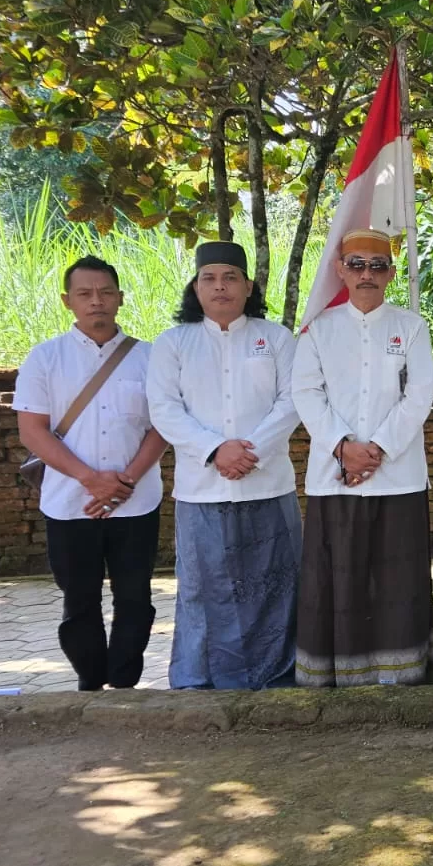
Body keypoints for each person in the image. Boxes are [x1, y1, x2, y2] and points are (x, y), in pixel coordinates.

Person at [146, 241, 301, 690]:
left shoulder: (275, 338)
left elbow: (292, 401)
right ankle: (199, 679)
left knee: (275, 586)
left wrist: (249, 452)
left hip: (267, 483)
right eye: (209, 278)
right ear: (195, 288)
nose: (220, 287)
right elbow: (164, 408)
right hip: (202, 489)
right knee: (202, 588)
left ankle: (277, 676)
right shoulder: (174, 343)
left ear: (248, 286)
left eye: (230, 277)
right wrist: (216, 450)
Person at [13, 256, 168, 691]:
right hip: (70, 503)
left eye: (105, 292)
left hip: (135, 502)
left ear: (120, 297)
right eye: (85, 293)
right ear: (68, 301)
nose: (96, 301)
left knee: (135, 598)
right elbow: (32, 430)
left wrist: (127, 480)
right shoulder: (45, 359)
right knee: (79, 600)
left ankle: (124, 684)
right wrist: (90, 478)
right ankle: (89, 681)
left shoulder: (150, 358)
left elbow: (162, 427)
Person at [292, 230, 433, 687]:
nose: (367, 274)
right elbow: (306, 393)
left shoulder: (411, 327)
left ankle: (402, 674)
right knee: (339, 579)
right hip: (334, 477)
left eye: (377, 265)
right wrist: (343, 446)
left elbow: (420, 395)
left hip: (399, 476)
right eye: (356, 264)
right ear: (340, 270)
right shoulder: (320, 328)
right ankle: (338, 674)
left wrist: (378, 450)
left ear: (392, 273)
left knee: (398, 582)